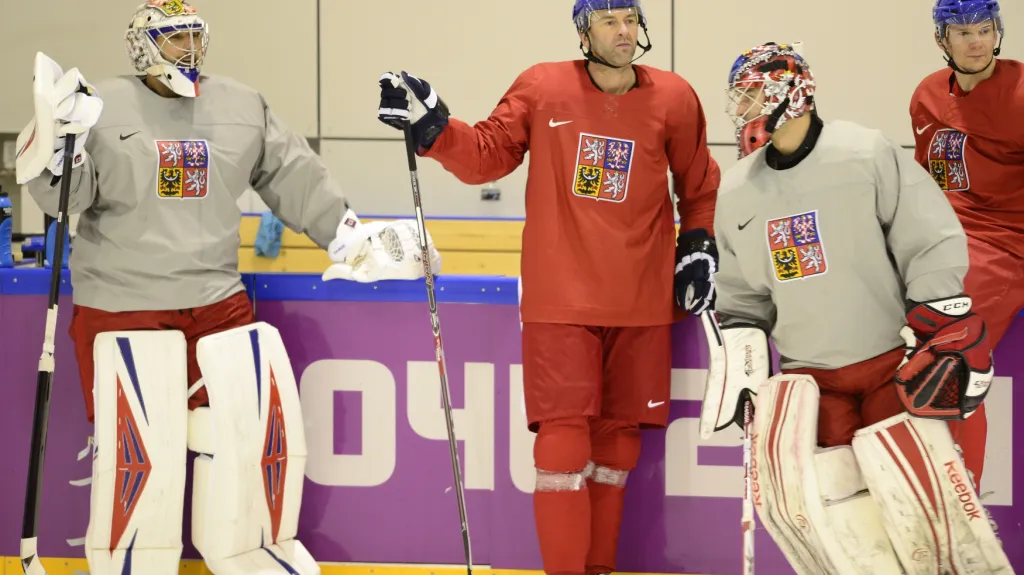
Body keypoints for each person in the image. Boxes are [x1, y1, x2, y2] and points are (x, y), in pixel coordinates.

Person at [14, 1, 439, 574]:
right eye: (172, 39)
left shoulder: (240, 103)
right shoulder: (99, 105)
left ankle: (251, 550)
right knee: (144, 452)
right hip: (122, 307)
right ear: (142, 46)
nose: (188, 49)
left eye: (195, 35)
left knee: (243, 436)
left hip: (217, 303)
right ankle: (133, 560)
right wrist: (52, 146)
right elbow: (69, 197)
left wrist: (345, 234)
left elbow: (291, 170)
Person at [375, 1, 720, 573]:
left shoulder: (675, 98)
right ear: (584, 31)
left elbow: (698, 183)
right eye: (609, 21)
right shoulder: (543, 86)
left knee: (618, 446)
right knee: (562, 444)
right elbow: (486, 155)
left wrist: (698, 244)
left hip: (642, 298)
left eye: (631, 19)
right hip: (561, 296)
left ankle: (600, 568)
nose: (624, 31)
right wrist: (435, 131)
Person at [698, 42, 1010, 573]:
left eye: (752, 92)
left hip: (891, 367)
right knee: (845, 523)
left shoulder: (863, 152)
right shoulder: (737, 190)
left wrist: (942, 318)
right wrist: (744, 355)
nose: (742, 106)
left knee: (923, 508)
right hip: (813, 384)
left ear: (788, 92)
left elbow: (926, 236)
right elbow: (742, 293)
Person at [909, 0, 1024, 489]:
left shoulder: (1020, 92)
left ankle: (963, 507)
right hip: (939, 241)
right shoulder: (928, 94)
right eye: (962, 32)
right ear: (943, 40)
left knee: (952, 358)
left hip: (1006, 246)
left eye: (984, 29)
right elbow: (921, 182)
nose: (976, 41)